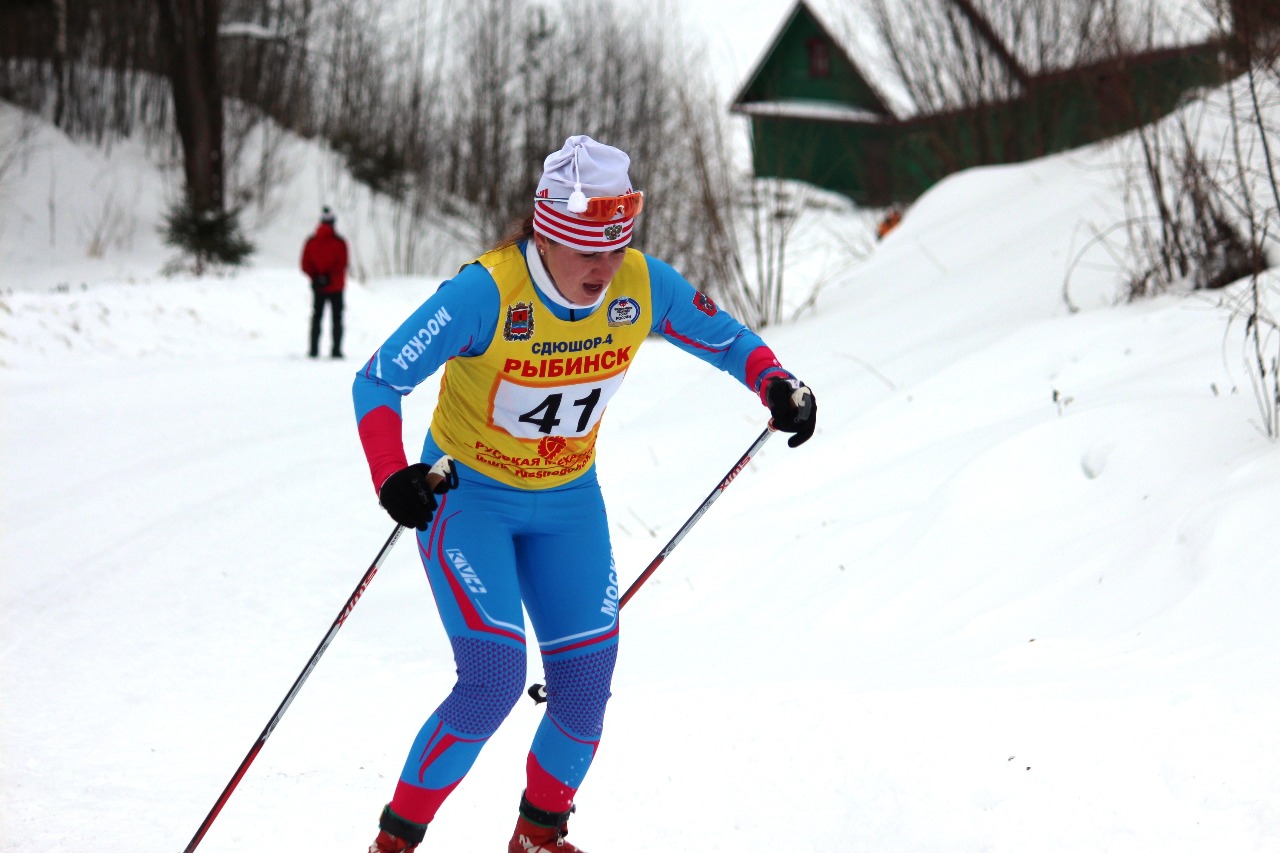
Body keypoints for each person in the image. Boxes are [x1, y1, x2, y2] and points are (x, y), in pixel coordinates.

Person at [351, 135, 817, 853]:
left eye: (614, 250)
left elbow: (726, 339)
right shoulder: (488, 291)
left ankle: (538, 835)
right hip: (470, 498)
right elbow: (379, 379)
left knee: (585, 683)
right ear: (546, 233)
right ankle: (396, 842)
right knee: (493, 679)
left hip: (567, 505)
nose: (603, 271)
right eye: (586, 254)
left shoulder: (640, 282)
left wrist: (775, 381)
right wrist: (392, 475)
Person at [301, 206, 349, 358]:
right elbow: (343, 263)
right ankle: (336, 350)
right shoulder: (340, 242)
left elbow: (305, 263)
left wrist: (316, 277)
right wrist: (329, 277)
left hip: (318, 287)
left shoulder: (311, 241)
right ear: (333, 222)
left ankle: (314, 350)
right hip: (336, 287)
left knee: (316, 317)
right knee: (337, 318)